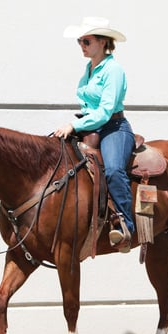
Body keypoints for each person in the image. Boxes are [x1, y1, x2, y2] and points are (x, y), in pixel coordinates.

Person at [53, 16, 135, 253]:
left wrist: (73, 126)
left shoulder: (113, 70)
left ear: (102, 42)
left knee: (113, 170)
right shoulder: (89, 69)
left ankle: (125, 225)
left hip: (113, 127)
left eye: (86, 41)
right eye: (80, 41)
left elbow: (105, 110)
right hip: (91, 126)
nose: (82, 45)